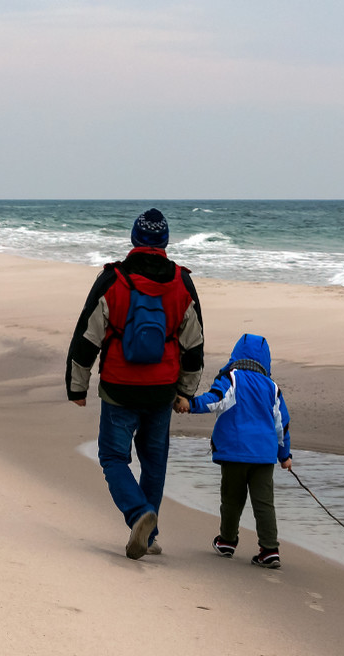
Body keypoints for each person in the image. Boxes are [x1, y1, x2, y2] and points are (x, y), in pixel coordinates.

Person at [66, 208, 205, 559]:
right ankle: (150, 534)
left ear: (134, 239)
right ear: (166, 242)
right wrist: (186, 392)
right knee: (154, 462)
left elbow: (87, 337)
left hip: (119, 388)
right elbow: (194, 346)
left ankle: (139, 514)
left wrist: (77, 387)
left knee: (113, 457)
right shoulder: (181, 283)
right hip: (162, 390)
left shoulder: (114, 279)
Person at [180, 334, 292, 568]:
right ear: (265, 361)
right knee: (264, 503)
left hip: (234, 452)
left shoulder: (232, 378)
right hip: (263, 456)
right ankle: (270, 549)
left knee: (231, 500)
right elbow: (281, 425)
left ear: (236, 355)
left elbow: (216, 400)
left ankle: (227, 541)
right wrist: (285, 456)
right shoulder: (272, 387)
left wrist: (190, 404)